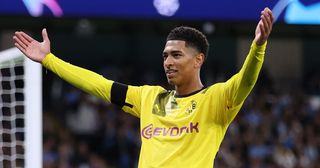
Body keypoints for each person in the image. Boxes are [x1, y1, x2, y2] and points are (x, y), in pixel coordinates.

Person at [13, 7, 273, 168]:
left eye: (176, 55)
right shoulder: (149, 97)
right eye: (164, 56)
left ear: (198, 60)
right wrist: (49, 60)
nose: (168, 62)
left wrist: (258, 47)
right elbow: (99, 85)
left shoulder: (215, 100)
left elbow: (245, 80)